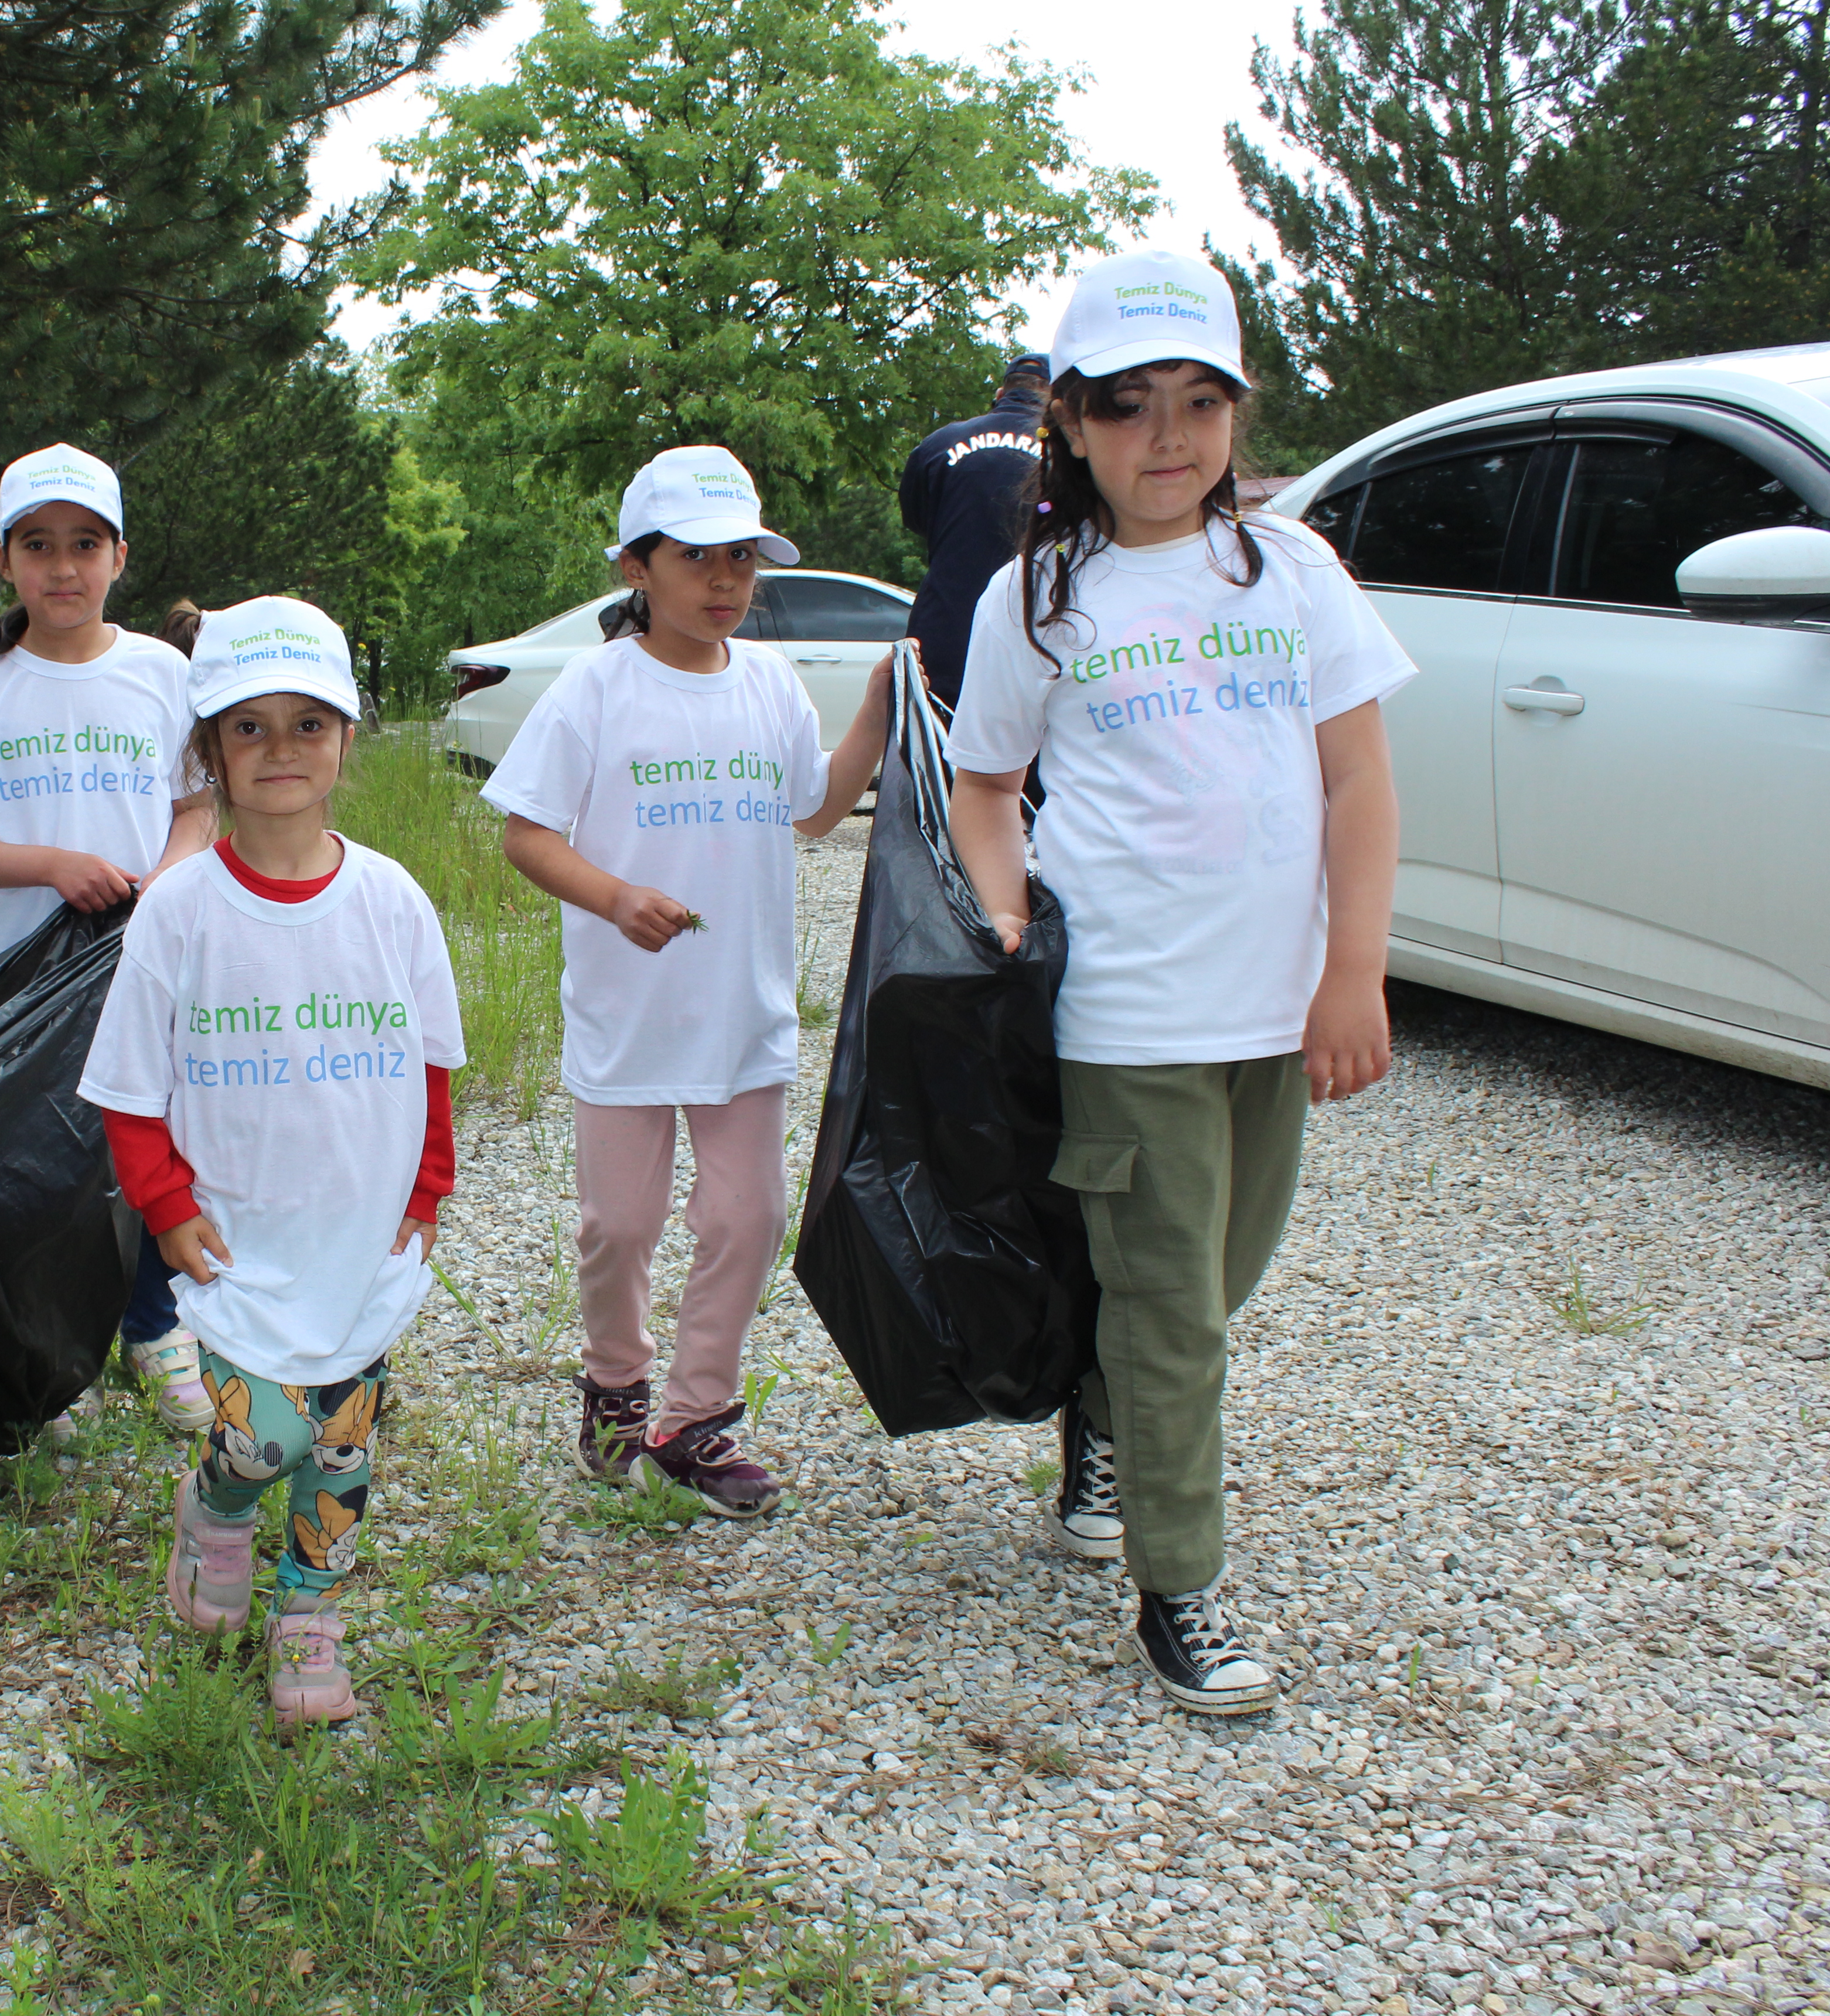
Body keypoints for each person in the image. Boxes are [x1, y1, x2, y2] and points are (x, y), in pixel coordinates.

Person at [943, 248, 1410, 1715]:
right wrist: (1008, 913)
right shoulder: (1038, 595)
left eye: (1199, 400)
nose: (1169, 436)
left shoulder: (1295, 571)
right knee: (1172, 1308)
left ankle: (1097, 1408)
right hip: (1127, 1012)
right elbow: (980, 786)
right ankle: (1181, 1584)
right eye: (1129, 405)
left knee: (1214, 1275)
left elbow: (1356, 781)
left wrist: (1352, 971)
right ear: (1070, 428)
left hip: (1274, 1011)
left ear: (1234, 414)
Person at [483, 445, 894, 1520]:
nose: (722, 581)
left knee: (747, 1215)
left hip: (740, 1014)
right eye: (695, 557)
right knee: (618, 1224)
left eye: (741, 561)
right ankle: (615, 1381)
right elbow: (527, 836)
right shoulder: (595, 689)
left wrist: (877, 717)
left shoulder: (769, 685)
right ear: (636, 567)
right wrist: (615, 897)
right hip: (629, 1018)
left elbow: (812, 809)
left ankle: (693, 1418)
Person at [78, 597, 464, 1727]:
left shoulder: (390, 900)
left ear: (346, 735)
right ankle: (216, 1507)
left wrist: (426, 1187)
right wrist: (162, 1205)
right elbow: (128, 1089)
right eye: (249, 728)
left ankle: (310, 1616)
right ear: (209, 750)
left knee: (343, 1437)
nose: (281, 750)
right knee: (265, 1431)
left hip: (361, 1232)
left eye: (308, 723)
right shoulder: (178, 914)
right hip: (238, 1235)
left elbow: (432, 1062)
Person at [0, 443, 219, 1431]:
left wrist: (163, 885)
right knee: (34, 1167)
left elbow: (195, 806)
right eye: (38, 546)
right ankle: (40, 1352)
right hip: (25, 986)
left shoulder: (161, 674)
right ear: (3, 562)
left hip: (146, 965)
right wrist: (51, 866)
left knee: (152, 1147)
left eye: (83, 544)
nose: (61, 568)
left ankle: (158, 1331)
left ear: (119, 556)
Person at [899, 353, 1053, 708]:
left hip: (945, 638)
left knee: (942, 755)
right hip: (1037, 636)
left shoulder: (938, 445)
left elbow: (919, 521)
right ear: (1054, 400)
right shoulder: (1070, 453)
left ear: (1001, 394)